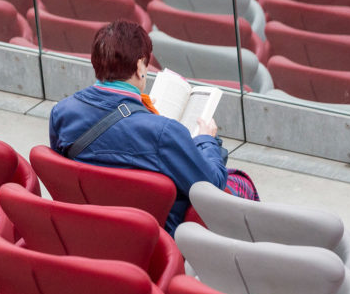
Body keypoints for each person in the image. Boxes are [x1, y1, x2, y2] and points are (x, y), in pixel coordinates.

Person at [49, 20, 259, 235]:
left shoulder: (62, 112)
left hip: (89, 224)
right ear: (140, 66)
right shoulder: (163, 132)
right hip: (154, 236)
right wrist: (207, 139)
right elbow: (211, 185)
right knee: (239, 182)